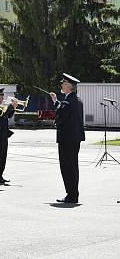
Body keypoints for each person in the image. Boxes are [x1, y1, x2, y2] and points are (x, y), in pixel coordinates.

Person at [50, 73, 85, 204]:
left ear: (69, 86)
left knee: (67, 167)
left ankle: (71, 195)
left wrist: (56, 120)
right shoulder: (76, 100)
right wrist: (56, 101)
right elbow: (64, 111)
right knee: (73, 166)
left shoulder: (67, 101)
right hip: (74, 139)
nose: (62, 86)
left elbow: (60, 117)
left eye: (63, 84)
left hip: (66, 139)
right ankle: (73, 193)